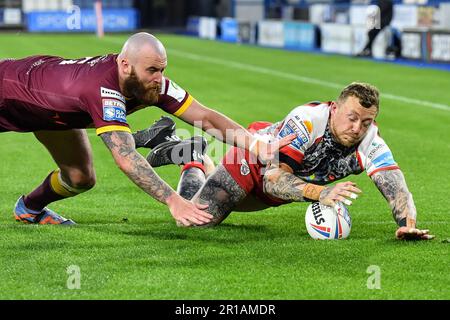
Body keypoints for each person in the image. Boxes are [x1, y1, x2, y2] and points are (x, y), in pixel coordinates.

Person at [0, 32, 293, 227]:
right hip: (7, 94)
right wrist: (173, 201)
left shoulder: (150, 84)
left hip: (49, 113)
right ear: (126, 66)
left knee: (80, 178)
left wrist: (254, 144)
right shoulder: (103, 90)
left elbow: (204, 116)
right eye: (152, 71)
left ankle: (29, 208)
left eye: (162, 69)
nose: (159, 78)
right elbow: (126, 157)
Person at [145, 82, 434, 240]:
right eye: (352, 118)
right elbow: (272, 181)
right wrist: (322, 193)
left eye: (366, 121)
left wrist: (406, 223)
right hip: (257, 162)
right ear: (334, 109)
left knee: (220, 207)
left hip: (289, 187)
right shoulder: (308, 122)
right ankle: (191, 158)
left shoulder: (371, 142)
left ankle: (197, 154)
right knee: (195, 222)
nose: (357, 128)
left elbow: (396, 187)